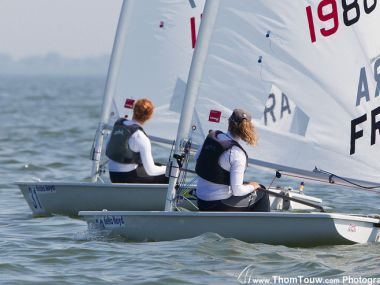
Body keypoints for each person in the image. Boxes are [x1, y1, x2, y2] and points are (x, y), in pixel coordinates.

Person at [195, 108, 270, 212]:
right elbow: (237, 191)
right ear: (248, 128)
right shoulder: (237, 153)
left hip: (201, 200)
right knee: (262, 192)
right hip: (218, 205)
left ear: (229, 122)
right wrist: (253, 186)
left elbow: (197, 158)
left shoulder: (212, 137)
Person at [106, 98, 169, 184]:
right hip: (128, 178)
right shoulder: (140, 137)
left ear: (133, 110)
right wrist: (169, 168)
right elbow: (151, 171)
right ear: (149, 116)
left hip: (113, 175)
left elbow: (107, 147)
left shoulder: (118, 125)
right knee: (168, 174)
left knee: (158, 165)